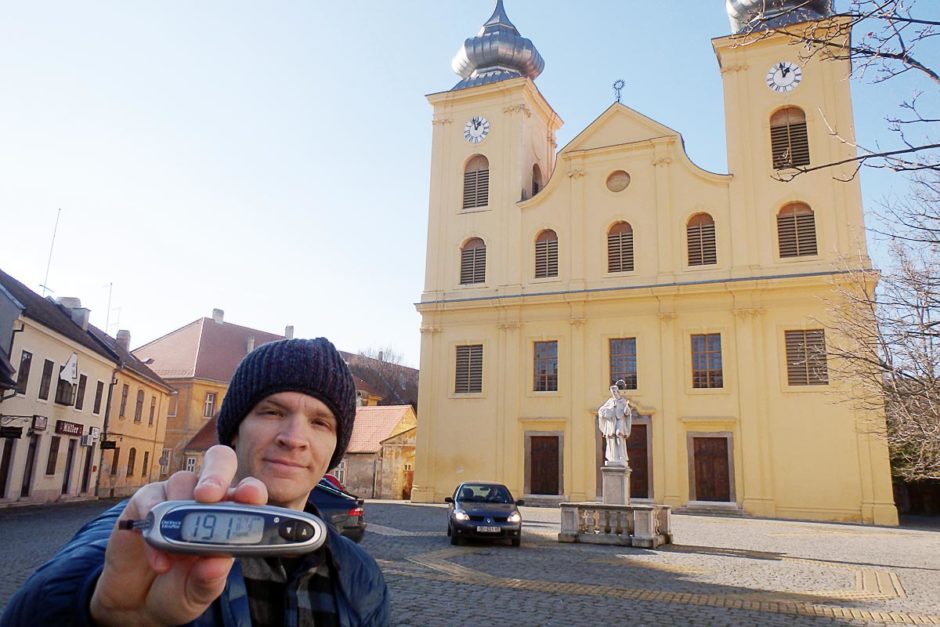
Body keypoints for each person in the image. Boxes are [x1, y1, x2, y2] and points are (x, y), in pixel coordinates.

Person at [0, 337, 390, 626]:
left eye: (320, 422)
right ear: (234, 431)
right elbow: (58, 587)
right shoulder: (156, 526)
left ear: (335, 447)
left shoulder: (360, 577)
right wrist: (95, 610)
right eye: (272, 412)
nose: (294, 436)